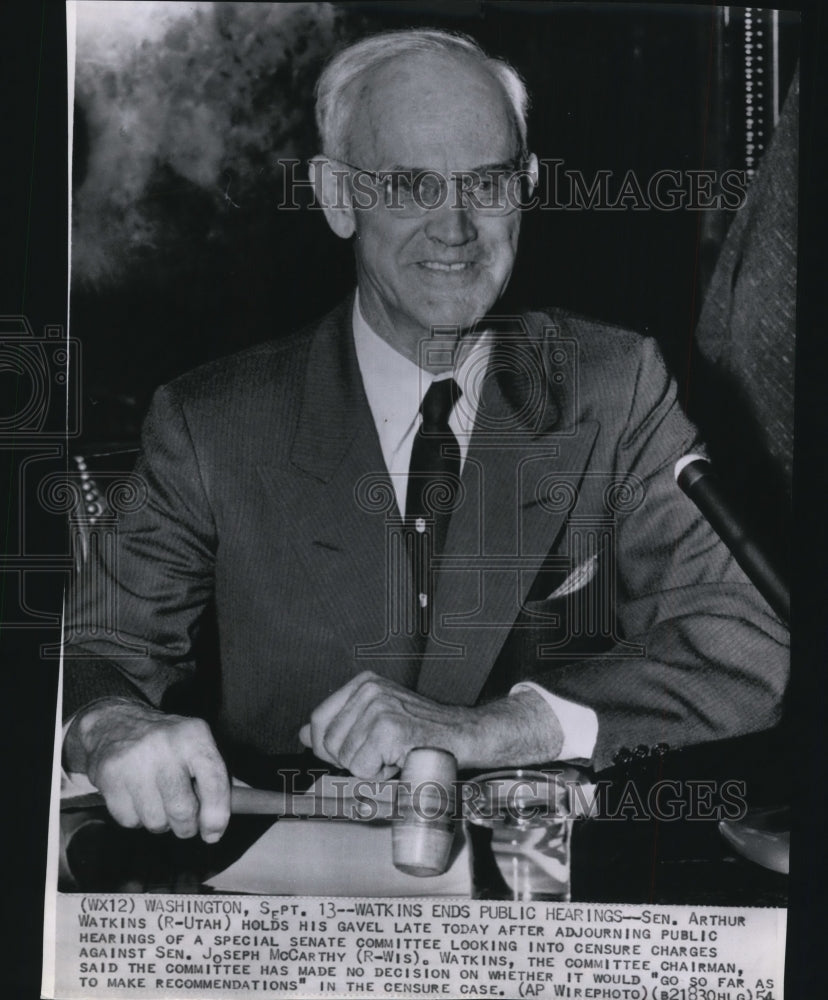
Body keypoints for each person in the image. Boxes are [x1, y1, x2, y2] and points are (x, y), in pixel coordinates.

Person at [62, 29, 788, 844]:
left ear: (528, 188)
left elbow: (752, 646)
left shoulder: (617, 387)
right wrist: (111, 724)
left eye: (487, 184)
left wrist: (488, 730)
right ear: (338, 197)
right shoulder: (211, 422)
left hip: (547, 904)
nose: (455, 227)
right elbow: (93, 651)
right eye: (410, 184)